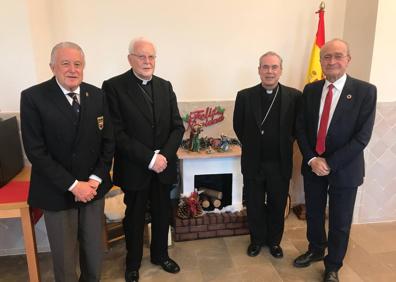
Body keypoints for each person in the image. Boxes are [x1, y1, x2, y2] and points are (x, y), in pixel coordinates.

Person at [20, 42, 114, 282]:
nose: (73, 69)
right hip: (58, 191)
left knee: (94, 254)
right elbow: (36, 151)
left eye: (78, 64)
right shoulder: (33, 97)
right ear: (52, 67)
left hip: (93, 191)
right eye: (65, 63)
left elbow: (108, 142)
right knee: (64, 260)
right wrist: (74, 185)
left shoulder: (97, 95)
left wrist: (93, 180)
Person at [102, 37, 185, 282]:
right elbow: (116, 132)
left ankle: (161, 256)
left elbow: (177, 127)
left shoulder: (165, 86)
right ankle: (133, 263)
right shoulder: (113, 87)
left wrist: (163, 157)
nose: (147, 61)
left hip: (163, 167)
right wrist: (150, 158)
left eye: (151, 57)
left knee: (162, 214)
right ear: (130, 59)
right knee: (135, 218)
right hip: (135, 167)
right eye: (141, 56)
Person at [294, 39, 376, 282]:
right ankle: (316, 249)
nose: (332, 61)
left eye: (338, 56)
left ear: (348, 60)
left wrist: (328, 163)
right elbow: (300, 128)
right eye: (326, 57)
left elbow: (362, 137)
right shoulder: (310, 90)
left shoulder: (365, 91)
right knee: (315, 214)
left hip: (345, 169)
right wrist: (311, 159)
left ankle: (333, 266)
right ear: (320, 61)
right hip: (312, 167)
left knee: (340, 221)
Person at [233, 52, 300, 259]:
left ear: (281, 70)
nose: (269, 71)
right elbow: (238, 126)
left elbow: (298, 127)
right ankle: (256, 240)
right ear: (259, 70)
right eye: (265, 67)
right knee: (254, 204)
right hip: (254, 162)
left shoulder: (295, 96)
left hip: (279, 163)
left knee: (277, 204)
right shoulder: (245, 96)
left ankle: (274, 242)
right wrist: (253, 144)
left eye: (274, 67)